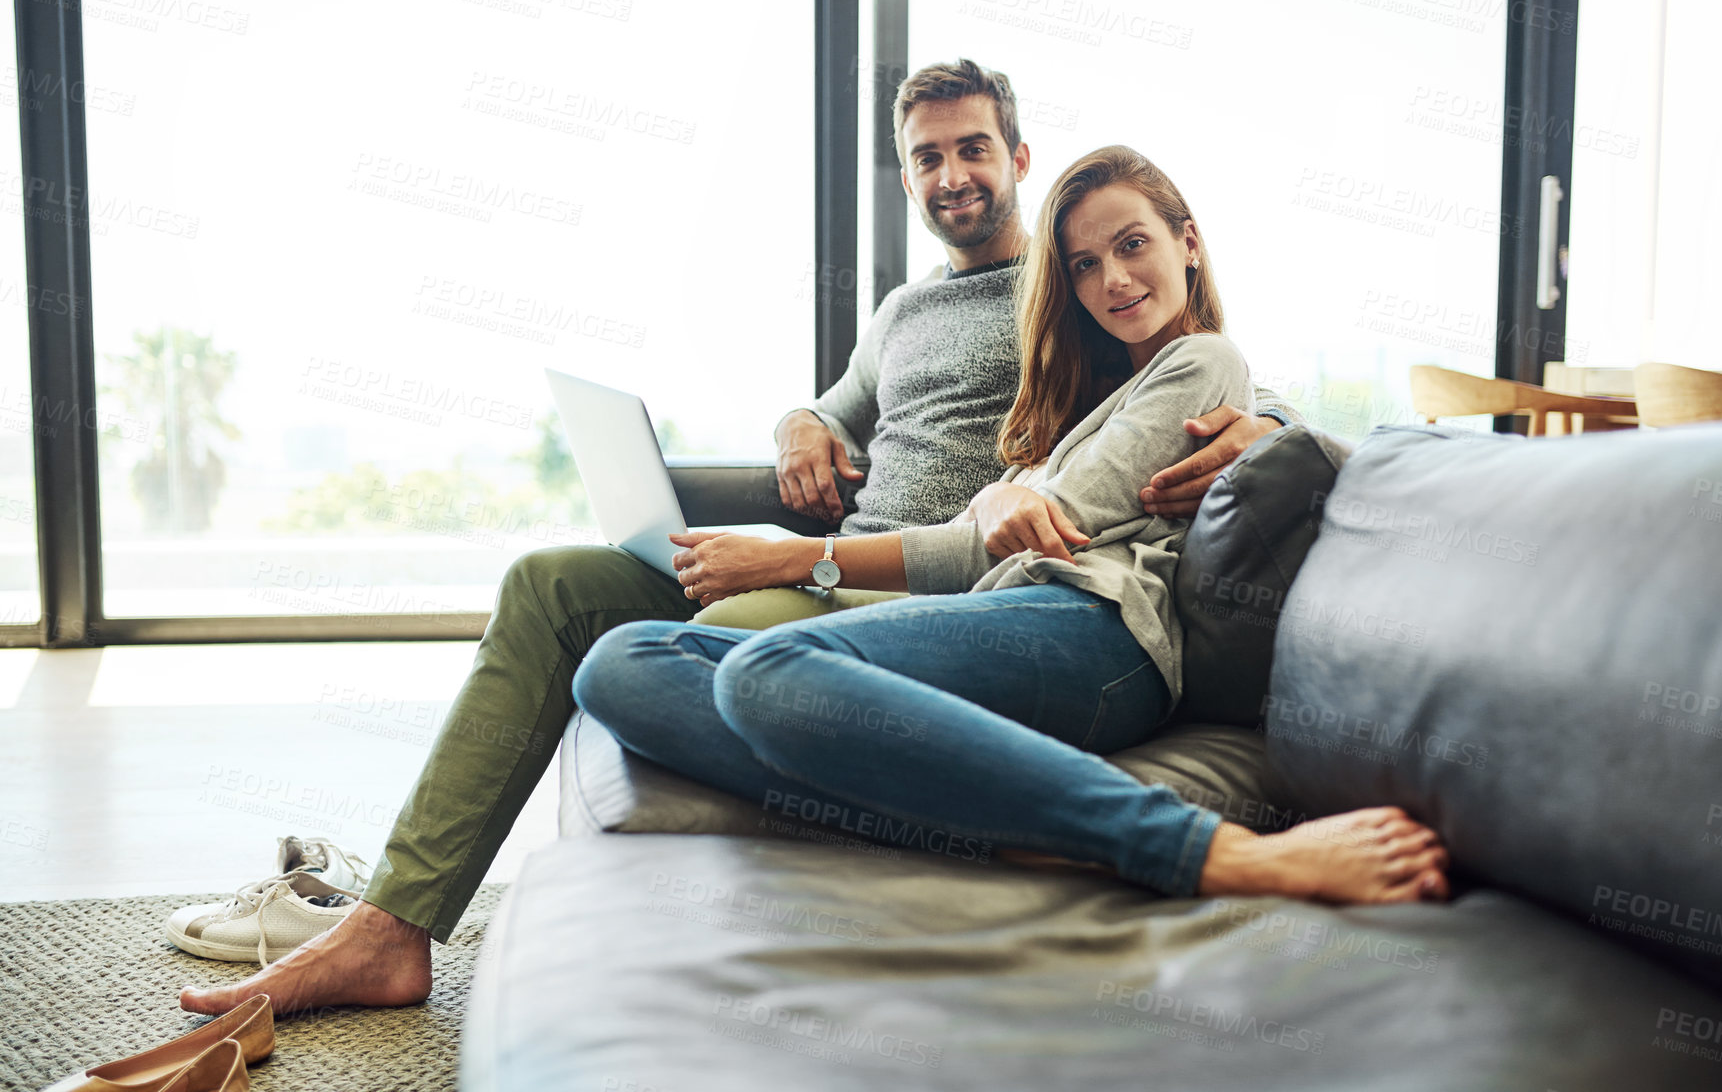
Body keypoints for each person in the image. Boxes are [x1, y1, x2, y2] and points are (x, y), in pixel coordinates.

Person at [179, 60, 1300, 1017]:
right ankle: (393, 923)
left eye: (974, 150)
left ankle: (1012, 812)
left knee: (743, 646)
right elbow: (840, 404)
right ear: (906, 174)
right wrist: (800, 422)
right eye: (927, 157)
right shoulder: (907, 312)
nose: (953, 176)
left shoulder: (1064, 296)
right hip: (848, 570)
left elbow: (1199, 373)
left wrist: (1277, 430)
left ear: (1016, 155)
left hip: (938, 593)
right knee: (554, 592)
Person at [576, 145, 1452, 906]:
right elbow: (980, 523)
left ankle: (1202, 850)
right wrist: (996, 489)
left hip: (1101, 631)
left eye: (1133, 244)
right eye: (1081, 264)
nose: (1112, 278)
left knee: (769, 671)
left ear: (1189, 243)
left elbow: (1027, 537)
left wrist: (798, 558)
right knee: (619, 664)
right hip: (1011, 611)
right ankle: (988, 819)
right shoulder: (1096, 398)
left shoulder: (1205, 360)